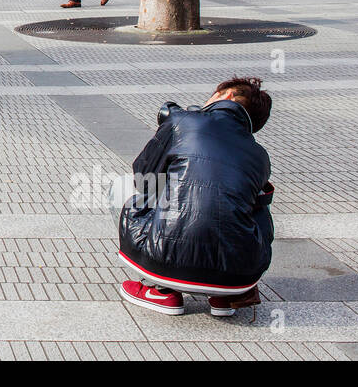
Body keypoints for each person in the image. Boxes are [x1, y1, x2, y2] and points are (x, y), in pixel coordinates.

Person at [115, 77, 275, 318]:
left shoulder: (183, 121)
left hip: (164, 260)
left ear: (227, 95)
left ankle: (160, 290)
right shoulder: (259, 155)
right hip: (238, 276)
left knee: (123, 185)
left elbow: (142, 177)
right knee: (256, 201)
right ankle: (223, 297)